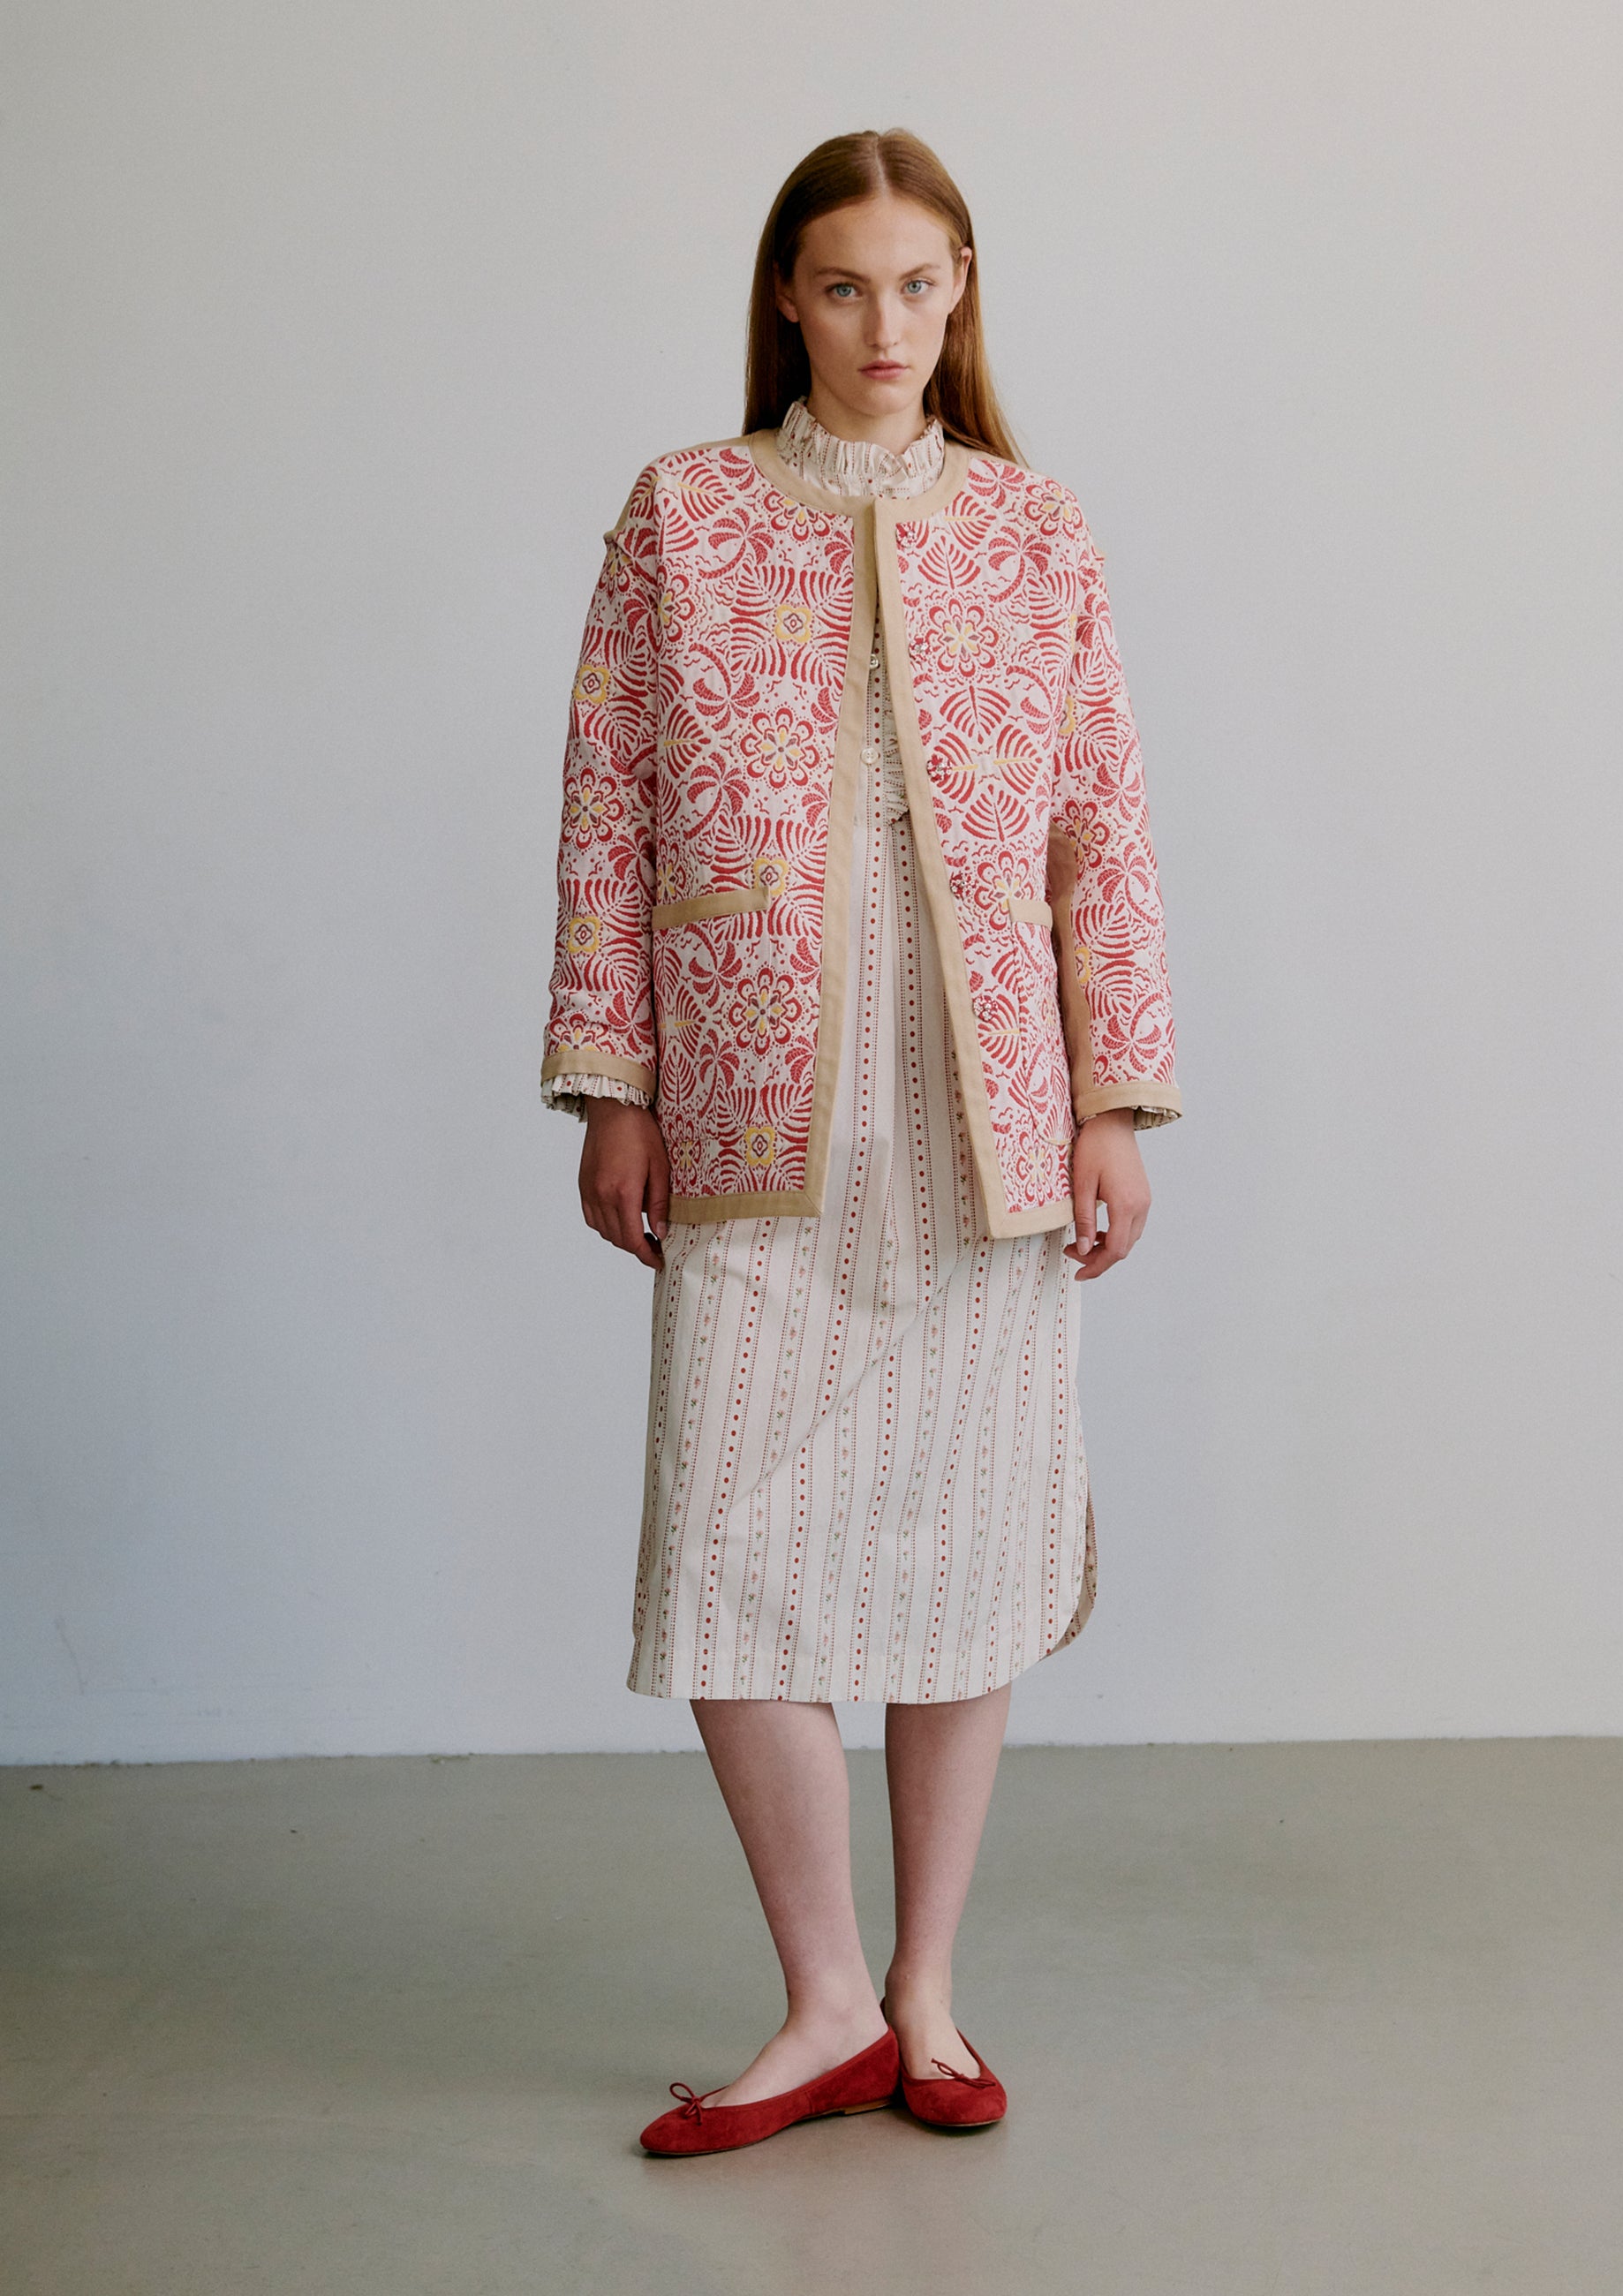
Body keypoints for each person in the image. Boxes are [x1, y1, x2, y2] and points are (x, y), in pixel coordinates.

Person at [542, 127, 1180, 2156]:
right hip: (753, 1084)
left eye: (922, 283)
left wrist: (1106, 1097)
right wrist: (615, 1078)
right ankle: (820, 1994)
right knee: (732, 1539)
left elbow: (1103, 831)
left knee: (969, 1538)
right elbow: (606, 816)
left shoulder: (1035, 529)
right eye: (844, 286)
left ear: (963, 290)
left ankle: (923, 1993)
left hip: (985, 1092)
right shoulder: (684, 516)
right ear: (786, 302)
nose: (886, 325)